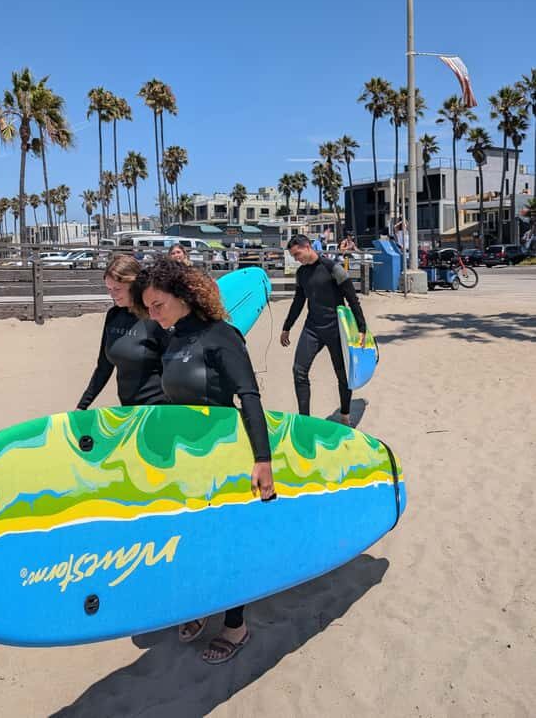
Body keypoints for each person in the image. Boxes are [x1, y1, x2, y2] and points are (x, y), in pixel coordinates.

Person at [131, 258, 274, 665]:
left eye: (158, 305)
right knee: (191, 539)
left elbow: (249, 396)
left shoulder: (220, 335)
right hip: (188, 459)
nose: (154, 315)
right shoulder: (173, 338)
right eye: (149, 308)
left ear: (183, 297)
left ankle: (236, 625)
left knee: (225, 543)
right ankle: (199, 606)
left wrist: (262, 459)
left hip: (224, 453)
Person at [280, 234, 367, 426]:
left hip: (336, 329)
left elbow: (352, 299)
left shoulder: (332, 268)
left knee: (342, 374)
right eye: (293, 256)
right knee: (299, 371)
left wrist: (362, 328)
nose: (297, 259)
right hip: (312, 327)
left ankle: (345, 414)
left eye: (297, 254)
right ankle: (304, 419)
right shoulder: (301, 273)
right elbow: (298, 302)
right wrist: (287, 326)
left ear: (308, 246)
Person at [75, 254, 168, 410]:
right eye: (109, 289)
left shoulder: (155, 318)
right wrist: (82, 406)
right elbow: (103, 367)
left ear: (135, 285)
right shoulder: (113, 316)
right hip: (128, 409)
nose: (112, 294)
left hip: (159, 409)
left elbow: (175, 368)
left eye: (117, 289)